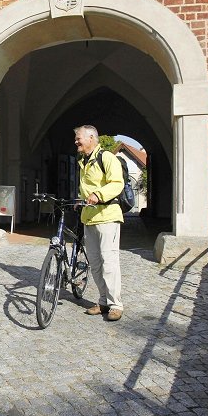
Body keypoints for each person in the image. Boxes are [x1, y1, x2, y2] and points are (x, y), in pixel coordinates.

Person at [74, 125, 125, 321]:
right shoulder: (83, 161)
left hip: (107, 216)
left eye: (79, 138)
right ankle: (103, 301)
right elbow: (86, 188)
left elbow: (117, 183)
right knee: (94, 263)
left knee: (109, 262)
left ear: (91, 138)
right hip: (89, 217)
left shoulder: (107, 158)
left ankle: (115, 305)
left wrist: (99, 194)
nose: (76, 141)